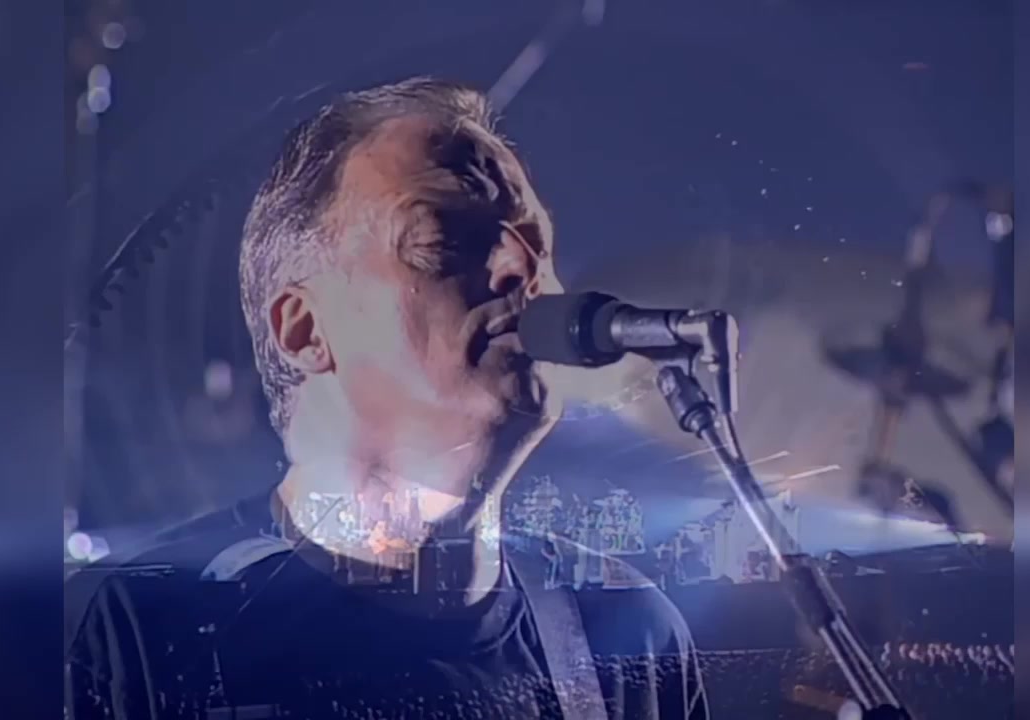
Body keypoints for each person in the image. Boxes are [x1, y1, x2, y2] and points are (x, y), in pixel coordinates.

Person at [65, 77, 707, 720]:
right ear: (305, 332)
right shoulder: (148, 626)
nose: (526, 272)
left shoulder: (627, 635)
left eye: (538, 244)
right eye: (443, 240)